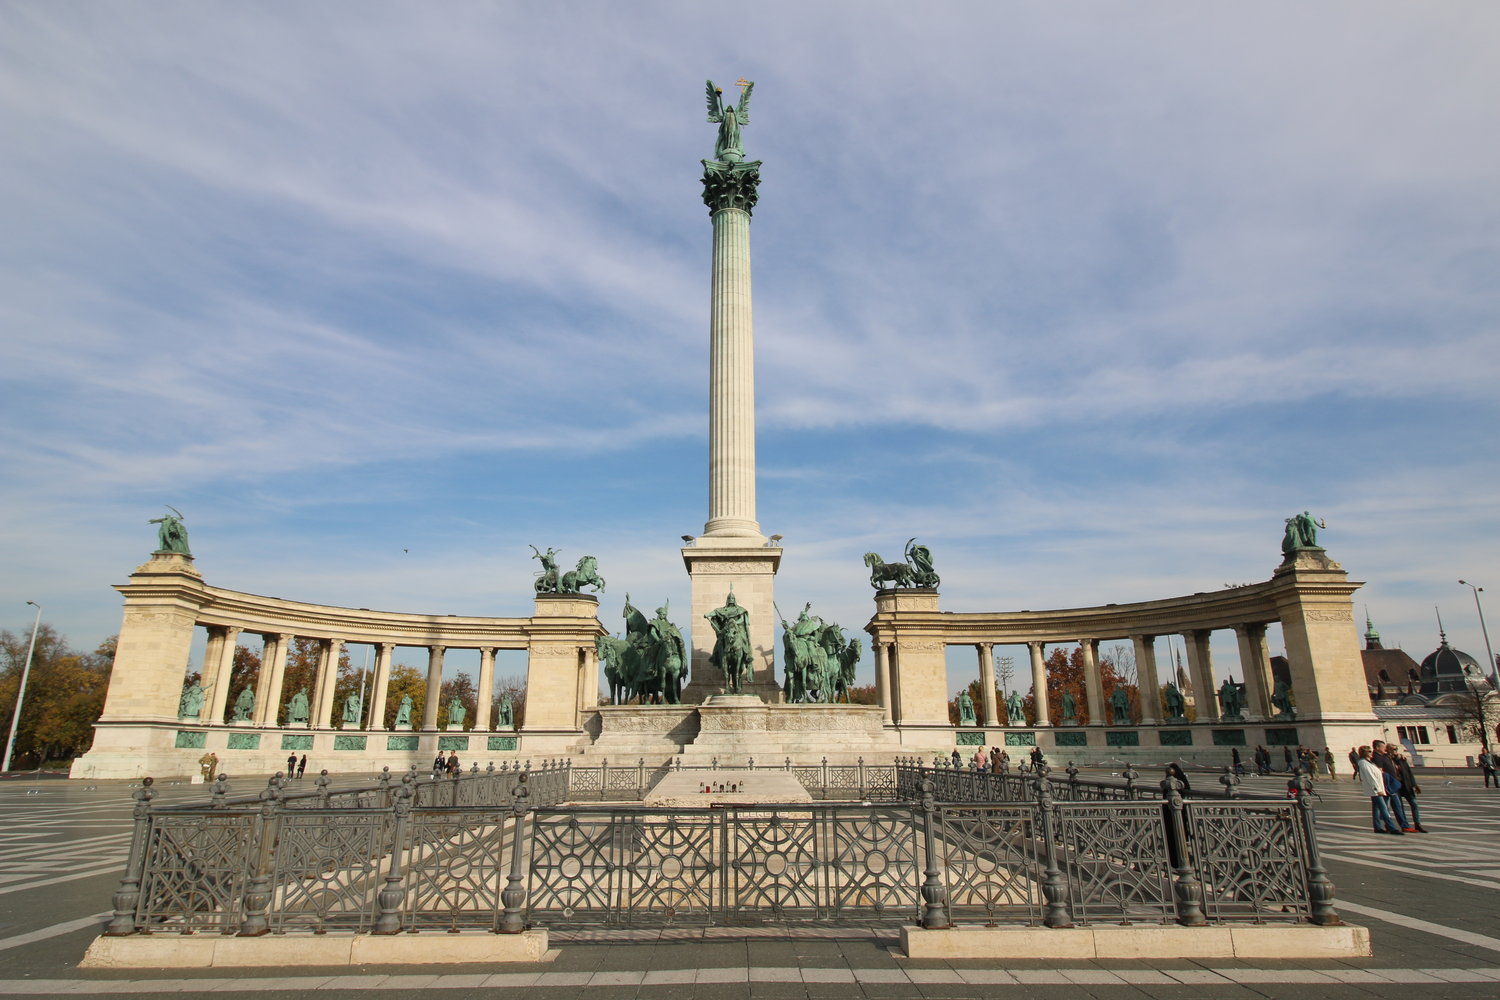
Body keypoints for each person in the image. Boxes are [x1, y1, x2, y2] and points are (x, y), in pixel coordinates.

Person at [1356, 745, 1403, 834]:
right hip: (1376, 790)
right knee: (1384, 808)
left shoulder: (1369, 762)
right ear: (1364, 753)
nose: (1371, 753)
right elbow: (1370, 777)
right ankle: (1391, 827)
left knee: (1376, 809)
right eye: (1369, 751)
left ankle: (1377, 826)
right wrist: (1377, 789)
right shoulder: (1363, 763)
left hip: (1377, 789)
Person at [1370, 741, 1410, 830]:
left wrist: (1398, 755)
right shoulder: (1377, 757)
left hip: (1391, 785)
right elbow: (1380, 772)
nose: (1385, 749)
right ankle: (1396, 826)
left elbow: (1392, 756)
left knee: (1390, 806)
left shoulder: (1383, 756)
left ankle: (1398, 825)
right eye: (1383, 747)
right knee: (1390, 807)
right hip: (1388, 786)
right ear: (1377, 748)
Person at [1391, 746, 1426, 832]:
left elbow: (1408, 772)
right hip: (1395, 785)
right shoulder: (1387, 760)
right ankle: (1404, 825)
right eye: (1393, 749)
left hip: (1406, 784)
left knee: (1414, 804)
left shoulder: (1402, 759)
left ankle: (1417, 824)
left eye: (1396, 749)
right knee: (1399, 806)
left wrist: (1414, 784)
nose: (1395, 751)